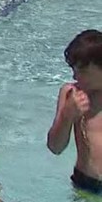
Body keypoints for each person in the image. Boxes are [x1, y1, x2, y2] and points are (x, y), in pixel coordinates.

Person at [47, 29, 102, 195]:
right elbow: (55, 147)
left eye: (83, 71)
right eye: (73, 69)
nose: (76, 76)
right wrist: (67, 115)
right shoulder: (71, 94)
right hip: (86, 183)